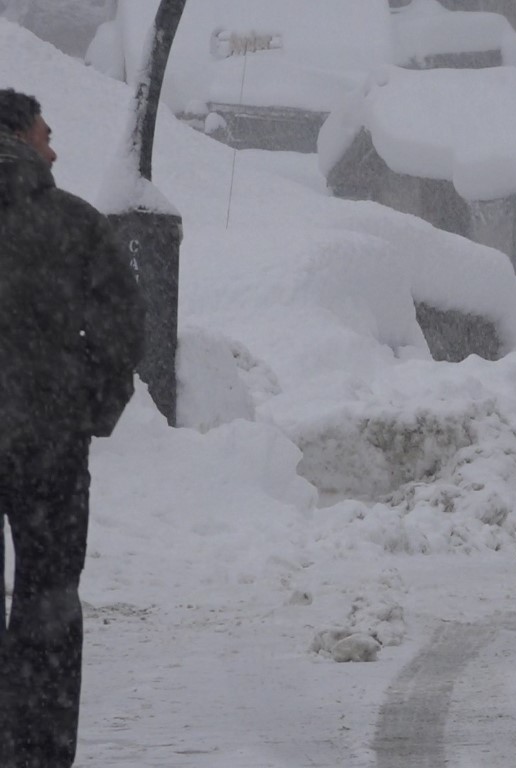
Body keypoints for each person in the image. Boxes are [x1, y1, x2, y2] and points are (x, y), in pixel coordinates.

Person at [0, 89, 145, 768]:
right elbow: (121, 325)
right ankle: (37, 752)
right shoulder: (72, 224)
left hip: (46, 424)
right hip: (47, 440)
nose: (53, 148)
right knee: (48, 599)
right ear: (21, 138)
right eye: (45, 133)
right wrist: (91, 406)